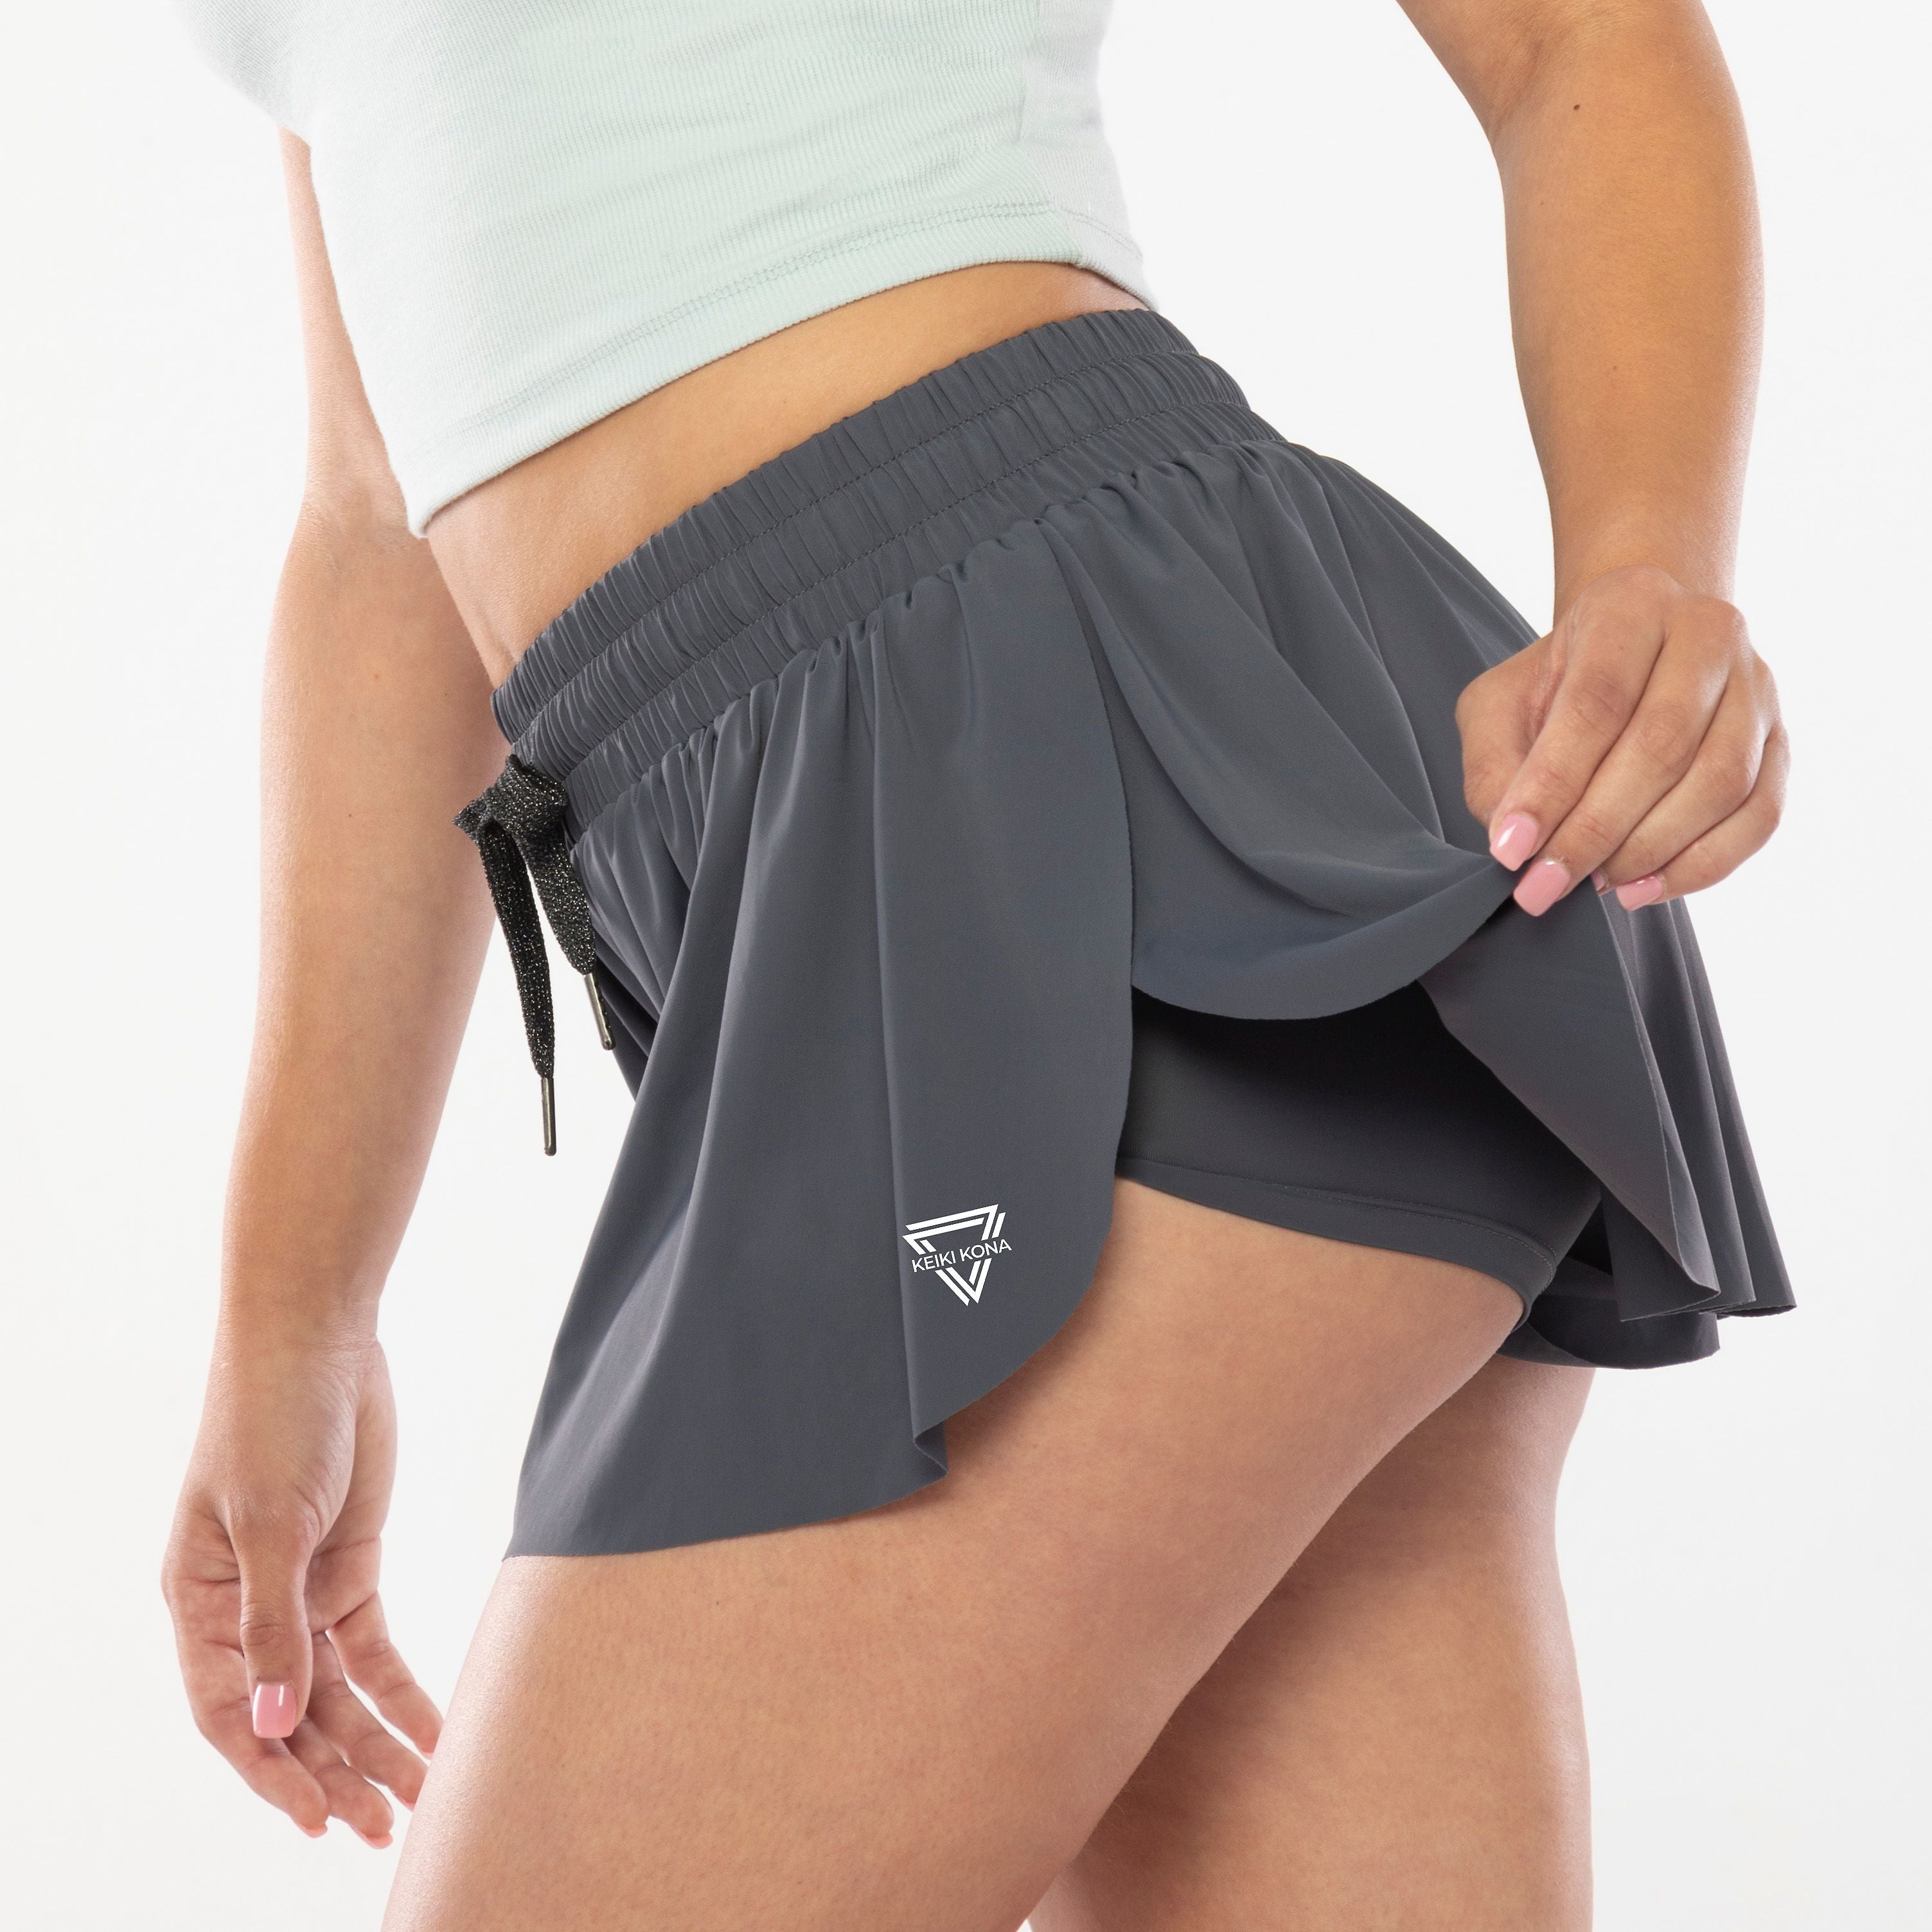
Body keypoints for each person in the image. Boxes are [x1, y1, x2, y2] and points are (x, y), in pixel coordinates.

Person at [160, 2, 1791, 1924]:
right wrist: (293, 1321)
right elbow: (378, 525)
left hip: (1084, 789)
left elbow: (1567, 37)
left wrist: (1651, 567)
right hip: (848, 868)